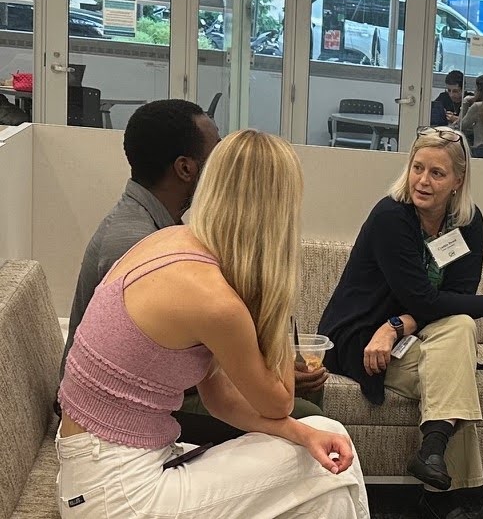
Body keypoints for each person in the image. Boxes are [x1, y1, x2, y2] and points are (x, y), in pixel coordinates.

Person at [56, 130, 369, 518]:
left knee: (324, 469)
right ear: (280, 211)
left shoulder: (172, 242)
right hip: (115, 491)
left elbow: (219, 400)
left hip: (104, 467)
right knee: (327, 467)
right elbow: (280, 401)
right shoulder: (213, 300)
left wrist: (302, 433)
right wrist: (274, 299)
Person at [59, 99, 325, 445]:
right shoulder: (136, 240)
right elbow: (181, 366)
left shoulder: (169, 234)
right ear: (187, 169)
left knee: (304, 425)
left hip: (129, 417)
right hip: (116, 429)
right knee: (308, 420)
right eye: (216, 153)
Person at [318, 126, 483, 495]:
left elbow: (456, 295)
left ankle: (432, 454)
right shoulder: (391, 216)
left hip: (408, 332)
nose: (423, 181)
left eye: (436, 173)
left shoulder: (468, 223)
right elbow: (425, 299)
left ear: (458, 179)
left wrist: (397, 325)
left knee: (459, 328)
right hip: (361, 337)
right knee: (456, 372)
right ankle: (449, 494)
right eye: (417, 168)